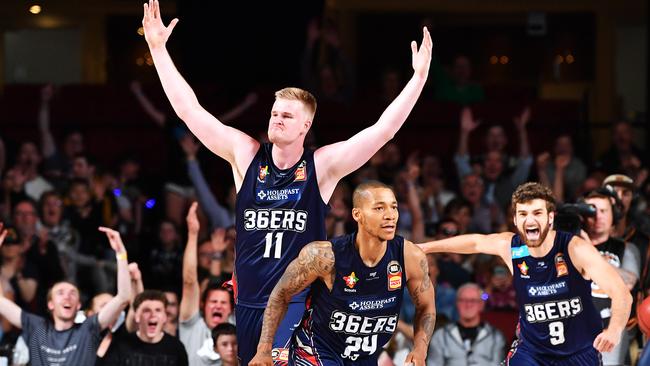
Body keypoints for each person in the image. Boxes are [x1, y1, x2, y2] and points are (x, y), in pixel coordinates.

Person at [141, 0, 433, 363]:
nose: (277, 118)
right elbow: (190, 111)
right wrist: (157, 49)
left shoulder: (321, 166)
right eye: (274, 112)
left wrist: (418, 78)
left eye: (287, 115)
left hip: (298, 301)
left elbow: (382, 131)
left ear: (305, 126)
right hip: (248, 301)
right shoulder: (245, 154)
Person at [418, 182, 633, 365]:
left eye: (537, 213)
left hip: (579, 354)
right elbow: (475, 242)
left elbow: (622, 293)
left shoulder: (575, 248)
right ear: (516, 220)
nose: (530, 220)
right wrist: (425, 248)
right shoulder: (511, 247)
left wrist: (614, 330)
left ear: (550, 217)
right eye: (523, 214)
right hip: (533, 353)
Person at [249, 181, 436, 365]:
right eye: (379, 208)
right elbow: (280, 295)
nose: (390, 215)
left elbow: (426, 306)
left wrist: (420, 349)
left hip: (365, 356)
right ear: (357, 214)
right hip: (316, 350)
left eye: (393, 207)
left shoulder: (409, 257)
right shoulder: (324, 256)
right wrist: (264, 349)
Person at [0, 223, 131, 366]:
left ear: (78, 305)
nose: (67, 296)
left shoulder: (87, 329)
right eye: (60, 293)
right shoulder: (36, 327)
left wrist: (121, 254)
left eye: (73, 293)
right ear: (50, 304)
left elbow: (123, 297)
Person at [101, 290, 189, 365]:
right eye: (146, 310)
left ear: (165, 317)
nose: (153, 315)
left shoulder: (176, 348)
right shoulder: (120, 346)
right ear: (137, 317)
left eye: (158, 310)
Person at [427, 283, 506, 366]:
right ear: (457, 303)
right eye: (463, 300)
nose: (468, 305)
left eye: (473, 300)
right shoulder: (441, 336)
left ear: (481, 305)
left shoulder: (495, 337)